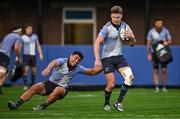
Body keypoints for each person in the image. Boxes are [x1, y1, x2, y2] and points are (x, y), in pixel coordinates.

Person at [8, 51, 102, 111]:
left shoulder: (78, 68)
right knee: (34, 87)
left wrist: (103, 66)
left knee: (58, 89)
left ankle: (42, 106)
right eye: (75, 58)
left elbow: (92, 71)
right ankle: (16, 104)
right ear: (71, 56)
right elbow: (54, 62)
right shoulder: (63, 61)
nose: (76, 60)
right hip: (50, 83)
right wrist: (49, 68)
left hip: (62, 88)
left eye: (79, 60)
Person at [93, 5, 136, 112]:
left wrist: (132, 37)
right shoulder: (106, 28)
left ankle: (118, 102)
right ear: (111, 16)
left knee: (130, 78)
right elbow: (97, 42)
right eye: (113, 17)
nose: (115, 19)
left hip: (119, 57)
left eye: (117, 17)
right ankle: (106, 104)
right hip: (107, 58)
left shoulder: (126, 26)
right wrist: (97, 59)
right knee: (111, 84)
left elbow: (132, 44)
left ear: (121, 16)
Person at [146, 19, 172, 93]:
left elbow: (170, 40)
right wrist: (148, 54)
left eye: (161, 23)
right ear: (155, 24)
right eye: (158, 23)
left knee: (164, 70)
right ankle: (156, 87)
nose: (160, 24)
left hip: (163, 52)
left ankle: (164, 87)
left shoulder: (165, 31)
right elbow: (149, 43)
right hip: (154, 53)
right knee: (156, 70)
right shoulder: (151, 32)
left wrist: (167, 42)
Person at [0, 26, 22, 95]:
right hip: (5, 55)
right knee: (3, 71)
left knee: (6, 73)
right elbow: (16, 48)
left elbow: (1, 45)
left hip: (1, 53)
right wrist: (18, 57)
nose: (21, 32)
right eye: (21, 31)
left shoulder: (8, 35)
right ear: (19, 31)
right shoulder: (18, 37)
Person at [21, 24, 43, 90]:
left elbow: (38, 45)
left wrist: (40, 54)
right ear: (26, 29)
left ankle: (32, 84)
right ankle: (25, 84)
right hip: (26, 55)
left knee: (34, 71)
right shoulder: (23, 37)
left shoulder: (35, 36)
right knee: (26, 70)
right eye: (29, 29)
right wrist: (17, 56)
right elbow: (19, 46)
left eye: (31, 29)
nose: (30, 30)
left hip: (33, 56)